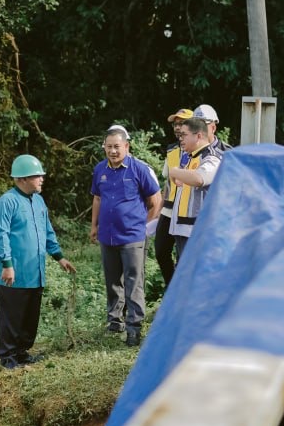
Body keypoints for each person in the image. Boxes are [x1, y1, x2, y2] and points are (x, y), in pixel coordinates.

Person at [0, 154, 76, 370]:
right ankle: (8, 357)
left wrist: (59, 257)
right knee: (12, 316)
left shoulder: (38, 201)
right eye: (37, 176)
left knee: (30, 315)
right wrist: (7, 265)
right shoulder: (6, 202)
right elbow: (1, 235)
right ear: (21, 179)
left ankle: (22, 352)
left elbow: (47, 231)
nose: (41, 179)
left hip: (35, 271)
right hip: (14, 272)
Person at [91, 125, 163, 346]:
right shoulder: (100, 170)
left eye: (117, 147)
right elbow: (97, 199)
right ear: (104, 147)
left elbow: (156, 201)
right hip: (107, 236)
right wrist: (94, 226)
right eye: (109, 147)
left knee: (134, 283)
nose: (113, 151)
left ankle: (134, 327)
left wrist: (143, 226)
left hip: (132, 237)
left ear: (126, 146)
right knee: (113, 281)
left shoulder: (139, 169)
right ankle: (115, 321)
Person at [167, 116, 222, 262]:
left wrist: (174, 171)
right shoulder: (190, 157)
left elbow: (199, 178)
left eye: (184, 134)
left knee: (195, 277)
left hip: (197, 231)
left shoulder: (211, 157)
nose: (180, 138)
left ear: (198, 136)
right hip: (183, 228)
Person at [156, 109, 194, 286]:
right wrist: (159, 210)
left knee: (182, 256)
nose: (178, 128)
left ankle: (179, 294)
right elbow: (168, 183)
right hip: (169, 208)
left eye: (182, 123)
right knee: (160, 250)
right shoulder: (171, 149)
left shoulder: (197, 151)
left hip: (187, 209)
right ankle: (172, 289)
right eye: (175, 124)